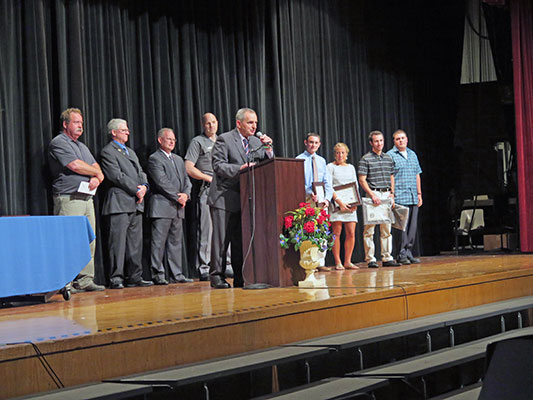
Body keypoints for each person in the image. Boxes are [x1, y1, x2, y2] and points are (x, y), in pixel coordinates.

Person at [208, 108, 274, 289]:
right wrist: (240, 169)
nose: (254, 126)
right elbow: (218, 166)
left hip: (245, 199)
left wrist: (269, 150)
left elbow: (268, 164)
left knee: (240, 240)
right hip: (224, 197)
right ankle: (216, 276)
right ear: (239, 123)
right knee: (221, 240)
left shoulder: (256, 142)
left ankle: (240, 276)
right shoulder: (225, 139)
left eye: (255, 123)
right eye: (250, 122)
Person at [48, 108, 106, 293]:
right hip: (68, 198)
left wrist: (97, 176)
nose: (80, 126)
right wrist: (96, 173)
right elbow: (75, 165)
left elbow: (97, 167)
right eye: (76, 122)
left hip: (87, 199)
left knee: (89, 240)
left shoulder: (82, 146)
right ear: (65, 124)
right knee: (67, 240)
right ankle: (65, 282)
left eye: (81, 123)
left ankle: (85, 280)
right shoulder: (59, 142)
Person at [100, 118, 153, 289]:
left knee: (135, 243)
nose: (127, 132)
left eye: (127, 130)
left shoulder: (130, 152)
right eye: (123, 130)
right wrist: (136, 189)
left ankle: (135, 276)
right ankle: (116, 278)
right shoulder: (108, 152)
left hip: (136, 203)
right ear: (114, 132)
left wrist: (144, 186)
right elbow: (116, 176)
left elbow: (141, 172)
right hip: (119, 202)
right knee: (118, 243)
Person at [147, 128, 193, 284]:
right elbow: (161, 182)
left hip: (178, 208)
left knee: (176, 242)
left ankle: (177, 274)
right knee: (158, 243)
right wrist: (177, 196)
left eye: (174, 140)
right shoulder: (155, 159)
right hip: (162, 206)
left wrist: (186, 195)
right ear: (160, 140)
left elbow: (186, 180)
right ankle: (158, 274)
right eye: (169, 139)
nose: (172, 142)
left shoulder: (179, 159)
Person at [358, 130, 401, 268]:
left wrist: (392, 193)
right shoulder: (366, 159)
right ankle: (370, 258)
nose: (379, 143)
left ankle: (387, 257)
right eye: (376, 141)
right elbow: (362, 180)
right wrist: (372, 195)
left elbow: (391, 176)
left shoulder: (388, 158)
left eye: (381, 140)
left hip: (386, 194)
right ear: (371, 143)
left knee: (386, 229)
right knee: (369, 230)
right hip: (373, 195)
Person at [184, 113, 218, 281]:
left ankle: (225, 264)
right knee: (207, 230)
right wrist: (207, 177)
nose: (211, 126)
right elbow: (189, 167)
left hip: (225, 190)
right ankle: (204, 266)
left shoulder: (223, 141)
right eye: (207, 124)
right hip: (207, 189)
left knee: (224, 228)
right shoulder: (197, 142)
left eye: (213, 122)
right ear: (203, 125)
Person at [296, 132, 333, 272]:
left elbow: (327, 182)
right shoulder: (299, 159)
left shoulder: (322, 161)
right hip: (307, 200)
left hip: (322, 201)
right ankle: (309, 261)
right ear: (306, 142)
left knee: (322, 231)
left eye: (316, 143)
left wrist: (327, 199)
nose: (313, 145)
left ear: (319, 144)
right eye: (311, 142)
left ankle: (320, 261)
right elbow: (298, 181)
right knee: (308, 230)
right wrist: (309, 192)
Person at [386, 129, 423, 264]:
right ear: (394, 141)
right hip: (400, 196)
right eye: (397, 139)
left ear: (407, 139)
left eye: (402, 138)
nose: (401, 140)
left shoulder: (412, 154)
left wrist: (419, 193)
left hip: (413, 195)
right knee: (402, 227)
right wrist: (392, 194)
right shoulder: (390, 155)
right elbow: (391, 176)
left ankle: (409, 252)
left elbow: (417, 174)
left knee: (412, 227)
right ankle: (401, 254)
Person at [327, 142, 360, 271]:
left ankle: (348, 261)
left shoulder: (351, 167)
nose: (340, 155)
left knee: (351, 232)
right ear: (334, 154)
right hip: (336, 204)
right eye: (337, 152)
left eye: (342, 152)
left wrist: (355, 202)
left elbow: (355, 185)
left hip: (350, 204)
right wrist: (339, 202)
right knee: (336, 233)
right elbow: (328, 186)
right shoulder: (330, 167)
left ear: (347, 154)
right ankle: (338, 262)